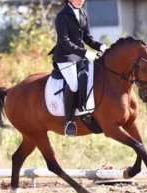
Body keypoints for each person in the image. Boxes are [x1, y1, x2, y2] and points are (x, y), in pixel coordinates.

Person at [50, 0, 107, 136]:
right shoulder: (62, 16)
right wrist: (85, 52)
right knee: (74, 85)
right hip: (65, 57)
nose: (80, 0)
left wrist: (102, 46)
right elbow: (65, 42)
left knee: (92, 77)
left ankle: (86, 112)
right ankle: (69, 121)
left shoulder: (83, 13)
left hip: (79, 55)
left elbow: (87, 38)